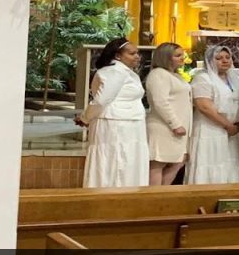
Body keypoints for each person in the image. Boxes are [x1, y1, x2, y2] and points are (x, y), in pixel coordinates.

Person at [77, 38, 149, 188]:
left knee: (127, 162)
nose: (138, 56)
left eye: (137, 53)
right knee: (115, 162)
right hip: (114, 124)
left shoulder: (127, 73)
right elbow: (101, 100)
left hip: (130, 124)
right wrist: (85, 118)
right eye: (132, 53)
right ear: (117, 56)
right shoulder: (113, 71)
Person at [186, 45, 239, 184]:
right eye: (219, 58)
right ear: (209, 61)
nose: (225, 61)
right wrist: (227, 125)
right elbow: (204, 106)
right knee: (210, 162)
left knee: (230, 163)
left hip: (232, 130)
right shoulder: (203, 78)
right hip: (210, 128)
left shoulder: (235, 79)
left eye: (227, 57)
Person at [145, 42, 192, 186]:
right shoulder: (158, 74)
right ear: (165, 57)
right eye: (177, 55)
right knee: (158, 163)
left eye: (182, 55)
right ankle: (154, 197)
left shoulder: (176, 75)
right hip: (164, 126)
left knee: (179, 160)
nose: (182, 58)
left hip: (179, 127)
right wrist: (175, 124)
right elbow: (160, 102)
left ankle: (163, 193)